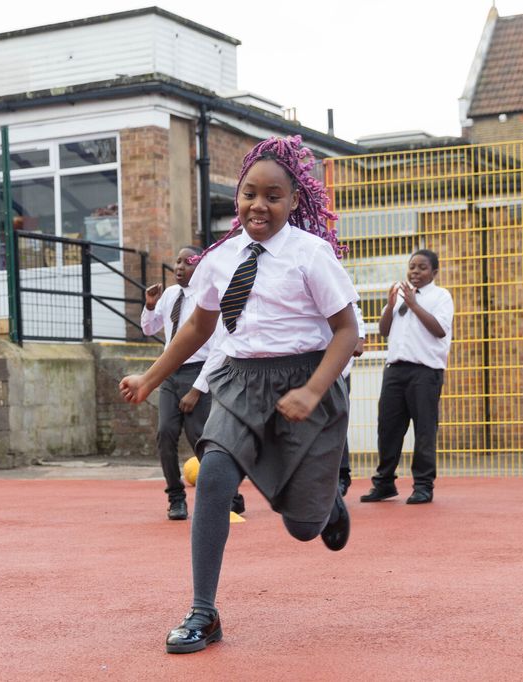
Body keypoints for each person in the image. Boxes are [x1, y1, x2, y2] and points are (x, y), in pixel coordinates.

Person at [119, 136, 359, 654]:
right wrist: (150, 377)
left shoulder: (310, 255)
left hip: (306, 381)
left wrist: (315, 390)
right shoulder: (220, 258)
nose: (259, 205)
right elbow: (196, 329)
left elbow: (346, 331)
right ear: (239, 198)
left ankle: (327, 507)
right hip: (240, 380)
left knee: (301, 526)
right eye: (250, 193)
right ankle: (203, 610)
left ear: (294, 201)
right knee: (214, 474)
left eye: (273, 196)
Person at [140, 245, 238, 520]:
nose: (179, 267)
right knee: (165, 434)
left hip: (199, 374)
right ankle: (176, 498)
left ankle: (229, 495)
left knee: (202, 441)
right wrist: (149, 305)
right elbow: (149, 329)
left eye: (188, 262)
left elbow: (219, 347)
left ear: (201, 267)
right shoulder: (170, 295)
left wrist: (197, 389)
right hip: (171, 373)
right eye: (177, 261)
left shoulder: (209, 299)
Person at [360, 249, 454, 505]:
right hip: (395, 371)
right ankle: (385, 483)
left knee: (424, 430)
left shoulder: (441, 296)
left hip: (425, 373)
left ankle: (423, 485)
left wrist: (414, 305)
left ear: (434, 272)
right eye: (412, 266)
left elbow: (439, 330)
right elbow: (383, 330)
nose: (415, 271)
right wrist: (391, 306)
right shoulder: (399, 295)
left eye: (422, 267)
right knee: (387, 429)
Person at [338, 303, 366, 497]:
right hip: (304, 368)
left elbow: (353, 310)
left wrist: (360, 338)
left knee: (336, 423)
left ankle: (341, 476)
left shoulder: (334, 277)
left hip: (337, 370)